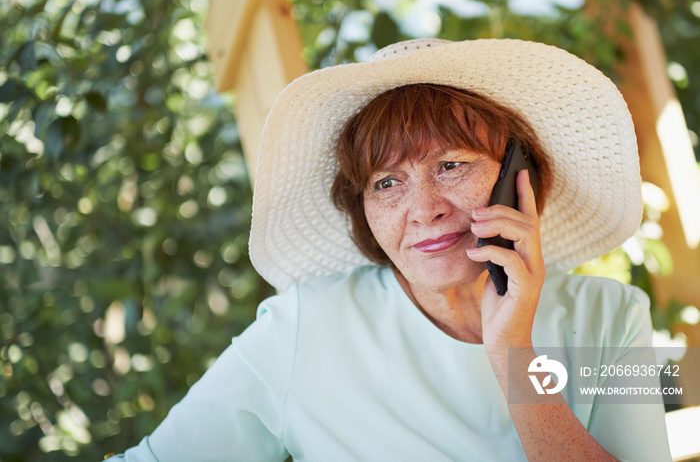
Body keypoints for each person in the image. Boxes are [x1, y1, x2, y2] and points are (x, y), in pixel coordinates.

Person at [106, 38, 672, 461]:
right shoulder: (304, 326)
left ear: (519, 178)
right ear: (364, 214)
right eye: (386, 183)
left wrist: (512, 352)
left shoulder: (613, 317)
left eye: (450, 165)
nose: (423, 209)